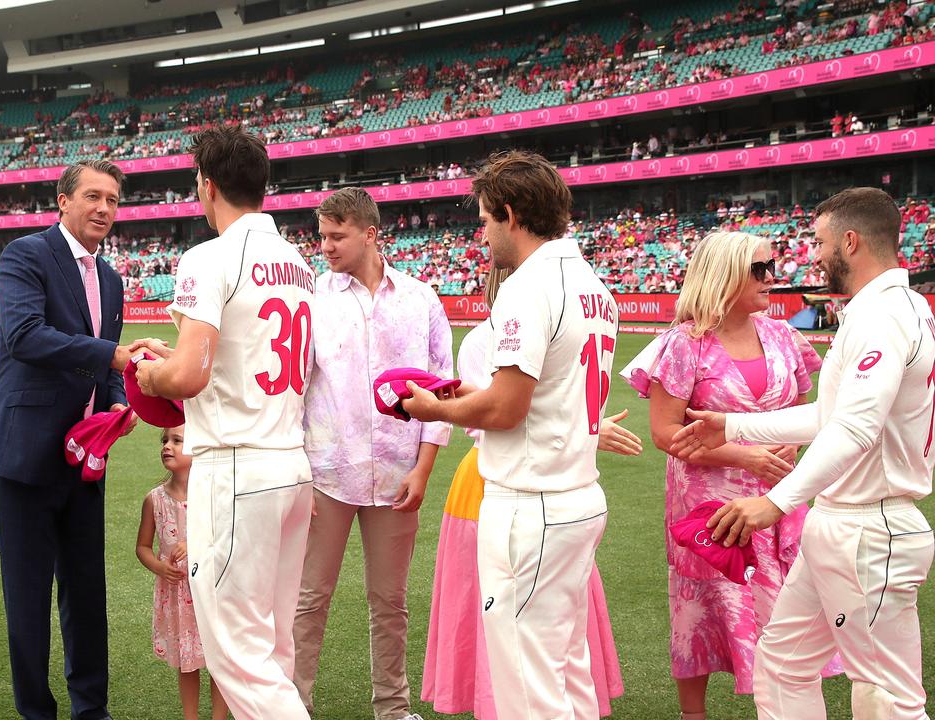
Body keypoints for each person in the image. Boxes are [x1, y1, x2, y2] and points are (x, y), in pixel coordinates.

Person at [673, 188, 935, 720]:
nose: (811, 255)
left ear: (850, 241)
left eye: (819, 242)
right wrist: (734, 423)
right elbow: (830, 416)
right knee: (784, 663)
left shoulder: (881, 316)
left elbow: (854, 429)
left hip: (867, 527)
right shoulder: (893, 308)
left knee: (887, 695)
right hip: (846, 523)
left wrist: (774, 502)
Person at [401, 150, 618, 719]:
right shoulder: (594, 284)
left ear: (511, 212)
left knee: (526, 682)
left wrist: (433, 409)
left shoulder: (528, 286)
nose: (482, 231)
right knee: (565, 669)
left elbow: (506, 408)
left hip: (530, 500)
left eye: (485, 218)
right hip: (574, 492)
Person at [133, 126, 315, 720]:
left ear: (208, 187)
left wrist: (148, 373)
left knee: (236, 651)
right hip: (290, 461)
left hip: (237, 465)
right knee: (272, 641)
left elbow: (187, 375)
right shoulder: (299, 264)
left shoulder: (209, 256)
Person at [619, 231, 840, 720]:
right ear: (725, 275)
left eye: (772, 265)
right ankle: (693, 715)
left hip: (780, 493)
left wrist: (788, 446)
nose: (772, 278)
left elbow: (802, 412)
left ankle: (786, 703)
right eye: (759, 270)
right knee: (704, 601)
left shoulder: (783, 334)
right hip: (709, 502)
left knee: (785, 606)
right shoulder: (684, 343)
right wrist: (745, 457)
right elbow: (664, 433)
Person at [422, 265, 636, 719]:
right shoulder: (586, 294)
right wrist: (586, 432)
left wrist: (435, 407)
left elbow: (504, 412)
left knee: (529, 654)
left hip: (528, 487)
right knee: (549, 643)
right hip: (548, 483)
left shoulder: (519, 309)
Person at [0, 158, 138, 720]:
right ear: (63, 199)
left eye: (113, 200)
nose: (103, 209)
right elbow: (23, 335)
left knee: (86, 591)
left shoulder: (113, 279)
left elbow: (108, 361)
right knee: (27, 597)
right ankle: (36, 712)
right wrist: (108, 357)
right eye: (93, 196)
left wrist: (118, 398)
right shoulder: (27, 254)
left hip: (83, 457)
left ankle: (91, 709)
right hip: (23, 451)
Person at [294, 188, 453, 720]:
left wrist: (424, 469)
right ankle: (294, 705)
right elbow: (296, 391)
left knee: (391, 604)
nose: (326, 247)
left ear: (370, 233)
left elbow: (444, 393)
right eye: (322, 236)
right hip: (326, 474)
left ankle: (393, 709)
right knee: (309, 601)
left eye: (336, 236)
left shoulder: (422, 300)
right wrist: (298, 475)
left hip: (396, 475)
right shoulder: (312, 299)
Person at [135, 425, 228, 720]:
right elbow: (143, 547)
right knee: (187, 662)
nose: (167, 446)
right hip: (176, 594)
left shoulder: (213, 496)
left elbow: (226, 536)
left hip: (210, 591)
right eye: (165, 440)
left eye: (177, 440)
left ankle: (218, 717)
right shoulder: (155, 500)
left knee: (217, 660)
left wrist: (195, 542)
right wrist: (159, 566)